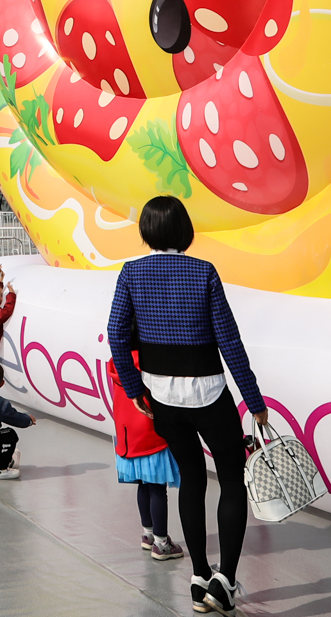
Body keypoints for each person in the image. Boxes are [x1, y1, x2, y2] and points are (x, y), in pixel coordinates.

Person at [107, 195, 269, 616]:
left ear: (146, 231)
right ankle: (225, 582)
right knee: (231, 481)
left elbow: (116, 335)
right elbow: (229, 341)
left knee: (191, 480)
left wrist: (135, 390)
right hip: (210, 392)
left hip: (161, 397)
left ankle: (199, 577)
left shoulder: (131, 273)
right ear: (184, 230)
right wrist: (254, 400)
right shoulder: (203, 272)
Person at [107, 353, 182, 561]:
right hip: (152, 435)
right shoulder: (150, 359)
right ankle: (162, 543)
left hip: (128, 436)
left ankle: (148, 534)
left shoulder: (117, 360)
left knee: (143, 486)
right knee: (158, 489)